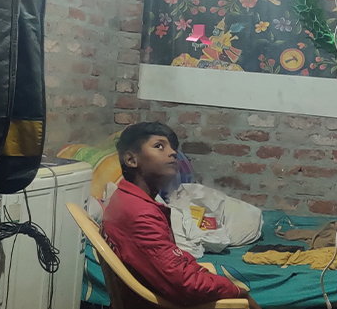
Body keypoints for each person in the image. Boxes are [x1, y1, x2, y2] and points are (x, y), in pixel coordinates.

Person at [102, 121, 261, 309]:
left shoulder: (125, 197)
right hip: (156, 304)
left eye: (172, 147)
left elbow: (172, 264)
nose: (172, 152)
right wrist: (236, 290)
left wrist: (199, 271)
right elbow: (186, 283)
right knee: (243, 301)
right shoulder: (140, 214)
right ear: (131, 160)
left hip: (154, 296)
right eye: (159, 146)